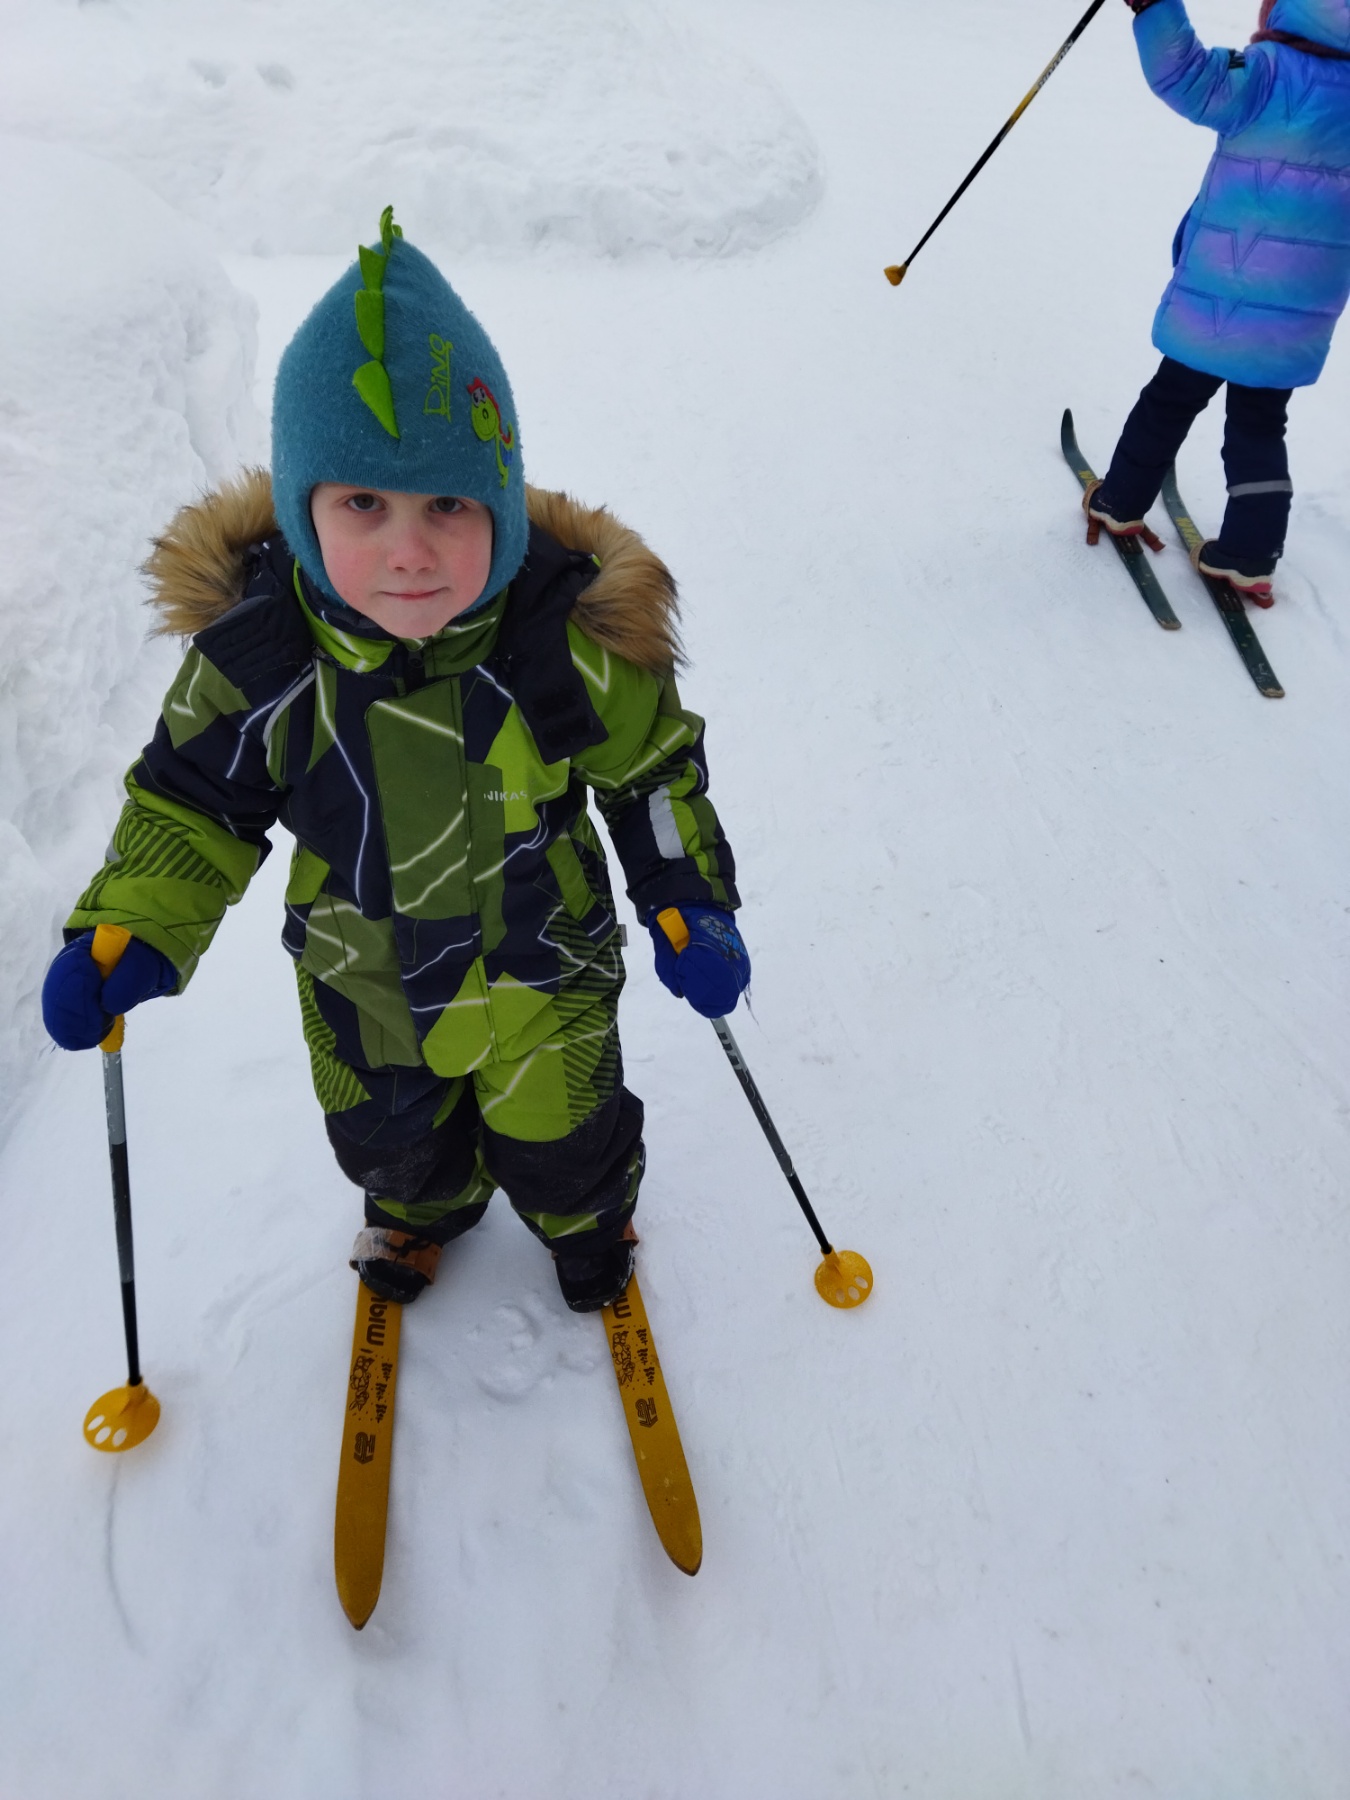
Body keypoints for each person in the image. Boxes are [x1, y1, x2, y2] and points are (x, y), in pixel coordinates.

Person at [40, 207, 749, 1314]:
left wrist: (686, 896)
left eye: (448, 505)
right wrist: (132, 922)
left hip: (543, 971)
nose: (407, 550)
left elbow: (651, 774)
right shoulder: (264, 654)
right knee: (392, 1142)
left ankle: (587, 1222)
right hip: (358, 981)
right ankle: (421, 1219)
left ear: (504, 507)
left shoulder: (557, 641)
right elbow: (193, 805)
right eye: (363, 503)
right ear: (302, 506)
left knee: (566, 1130)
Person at [1083, 0, 1350, 605]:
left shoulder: (1268, 72)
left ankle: (1120, 501)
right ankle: (1251, 554)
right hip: (1301, 305)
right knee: (1259, 419)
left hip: (1220, 293)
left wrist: (1153, 8)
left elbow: (1187, 76)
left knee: (1171, 397)